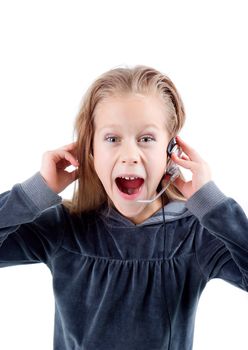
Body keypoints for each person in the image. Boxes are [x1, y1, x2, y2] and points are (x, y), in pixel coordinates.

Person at [0, 65, 247, 350]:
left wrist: (211, 204)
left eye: (146, 139)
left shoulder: (196, 236)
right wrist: (34, 193)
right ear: (90, 151)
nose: (130, 155)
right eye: (112, 139)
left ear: (171, 153)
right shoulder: (63, 230)